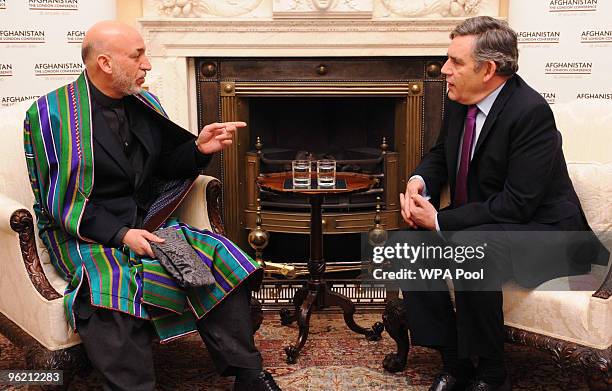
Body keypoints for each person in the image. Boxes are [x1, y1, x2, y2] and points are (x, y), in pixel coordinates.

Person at [23, 21, 281, 391]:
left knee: (222, 255)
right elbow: (62, 202)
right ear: (106, 63)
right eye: (138, 55)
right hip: (83, 232)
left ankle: (248, 373)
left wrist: (196, 150)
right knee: (111, 289)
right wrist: (122, 235)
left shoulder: (145, 103)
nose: (147, 64)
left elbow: (160, 169)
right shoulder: (53, 115)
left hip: (148, 222)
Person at [398, 16, 608, 391]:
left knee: (470, 248)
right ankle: (454, 362)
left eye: (456, 62)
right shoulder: (461, 99)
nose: (444, 70)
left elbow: (517, 204)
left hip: (548, 237)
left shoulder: (530, 113)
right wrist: (419, 183)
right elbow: (439, 155)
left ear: (489, 69)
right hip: (488, 226)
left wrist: (442, 222)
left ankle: (492, 374)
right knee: (409, 245)